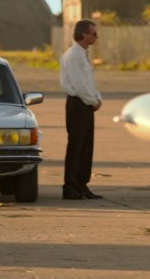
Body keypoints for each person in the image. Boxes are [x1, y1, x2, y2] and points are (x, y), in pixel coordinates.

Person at [60, 20, 103, 200]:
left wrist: (97, 98)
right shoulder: (73, 56)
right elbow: (78, 85)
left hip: (86, 103)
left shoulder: (84, 55)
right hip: (78, 103)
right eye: (93, 33)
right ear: (83, 34)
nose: (96, 36)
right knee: (76, 145)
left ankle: (82, 184)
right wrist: (92, 100)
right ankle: (70, 186)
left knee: (87, 146)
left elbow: (89, 82)